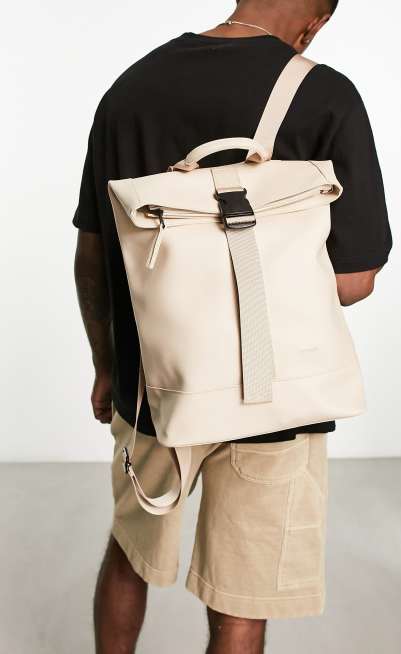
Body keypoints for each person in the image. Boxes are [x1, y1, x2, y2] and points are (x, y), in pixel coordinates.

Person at [73, 1, 392, 651]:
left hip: (152, 385)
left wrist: (106, 365)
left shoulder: (130, 89)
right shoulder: (327, 96)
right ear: (315, 23)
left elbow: (93, 253)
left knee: (131, 552)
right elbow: (352, 282)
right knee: (241, 604)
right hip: (276, 397)